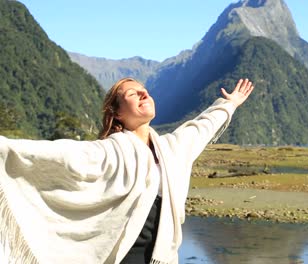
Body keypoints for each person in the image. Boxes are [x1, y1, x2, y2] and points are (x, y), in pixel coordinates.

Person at [0, 77, 254, 264]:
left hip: (162, 256)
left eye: (145, 92)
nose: (144, 95)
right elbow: (60, 155)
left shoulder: (171, 149)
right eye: (133, 94)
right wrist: (6, 147)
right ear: (117, 113)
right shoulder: (108, 152)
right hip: (124, 257)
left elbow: (201, 127)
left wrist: (228, 104)